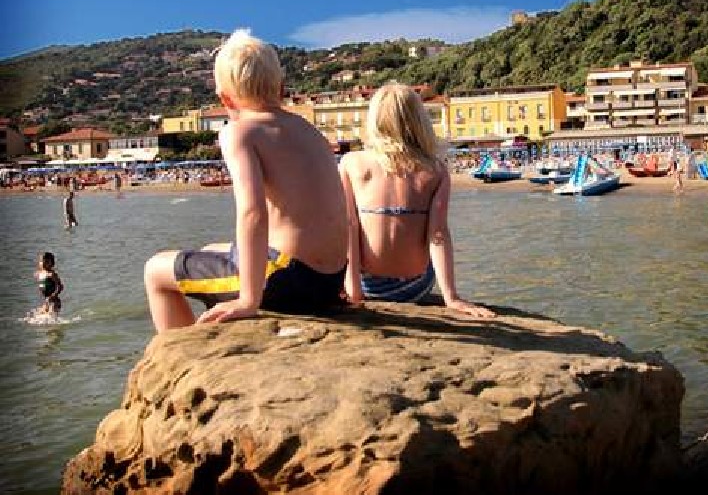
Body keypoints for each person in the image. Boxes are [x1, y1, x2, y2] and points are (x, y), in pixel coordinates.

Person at [143, 29, 349, 332]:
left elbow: (252, 212)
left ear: (225, 98)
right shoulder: (308, 129)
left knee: (156, 270)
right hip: (329, 280)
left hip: (288, 279)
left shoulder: (238, 132)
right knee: (212, 248)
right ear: (281, 87)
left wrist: (248, 300)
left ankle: (187, 348)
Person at [339, 82, 495, 318]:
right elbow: (438, 234)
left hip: (368, 285)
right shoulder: (435, 170)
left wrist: (354, 292)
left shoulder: (352, 163)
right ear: (419, 121)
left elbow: (348, 229)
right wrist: (451, 297)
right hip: (414, 288)